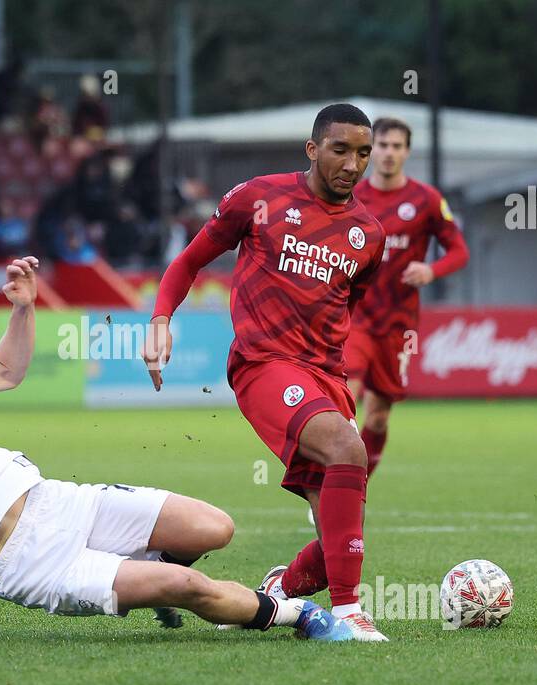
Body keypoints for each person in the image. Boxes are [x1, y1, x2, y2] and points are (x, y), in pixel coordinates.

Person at [0, 263, 347, 649]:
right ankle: (295, 613)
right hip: (29, 563)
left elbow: (6, 370)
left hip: (57, 502)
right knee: (186, 584)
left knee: (214, 528)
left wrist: (24, 307)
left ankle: (153, 582)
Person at [142, 104, 389, 642]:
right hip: (263, 365)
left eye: (363, 153)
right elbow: (188, 262)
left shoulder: (368, 235)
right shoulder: (259, 197)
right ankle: (348, 615)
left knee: (337, 541)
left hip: (327, 379)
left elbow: (348, 309)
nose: (352, 164)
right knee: (349, 450)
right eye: (340, 149)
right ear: (312, 149)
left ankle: (280, 589)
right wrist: (161, 318)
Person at [344, 117, 469, 477]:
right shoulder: (352, 196)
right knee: (346, 397)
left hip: (399, 323)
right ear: (370, 150)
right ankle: (333, 481)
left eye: (396, 146)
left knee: (379, 416)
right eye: (381, 145)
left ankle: (356, 486)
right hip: (354, 316)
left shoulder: (426, 200)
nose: (388, 153)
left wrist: (432, 270)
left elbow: (459, 251)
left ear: (407, 152)